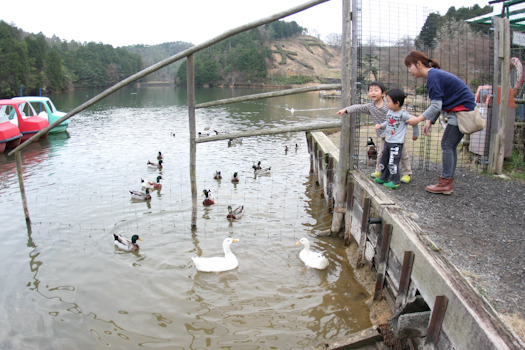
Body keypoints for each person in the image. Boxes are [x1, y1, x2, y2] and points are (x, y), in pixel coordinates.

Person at [404, 50, 476, 195]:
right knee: (451, 145)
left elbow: (436, 105)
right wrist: (430, 120)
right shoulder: (434, 75)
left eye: (409, 66)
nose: (409, 70)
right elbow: (440, 103)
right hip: (462, 110)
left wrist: (419, 119)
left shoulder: (433, 77)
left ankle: (445, 182)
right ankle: (447, 181)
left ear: (418, 64)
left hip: (461, 111)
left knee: (447, 144)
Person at [336, 81, 414, 184]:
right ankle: (379, 171)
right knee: (382, 153)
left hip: (396, 135)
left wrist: (412, 120)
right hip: (384, 135)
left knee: (403, 153)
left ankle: (407, 173)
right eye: (371, 90)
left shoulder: (389, 105)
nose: (373, 93)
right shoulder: (370, 107)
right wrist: (346, 109)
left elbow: (401, 113)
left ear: (383, 93)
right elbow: (358, 107)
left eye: (376, 90)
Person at [373, 88, 419, 190]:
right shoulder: (390, 112)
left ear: (397, 103)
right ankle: (384, 177)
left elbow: (415, 121)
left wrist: (415, 134)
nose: (386, 103)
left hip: (397, 143)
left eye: (388, 101)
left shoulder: (403, 114)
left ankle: (395, 181)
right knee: (384, 160)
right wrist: (381, 126)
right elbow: (388, 122)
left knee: (393, 162)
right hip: (388, 141)